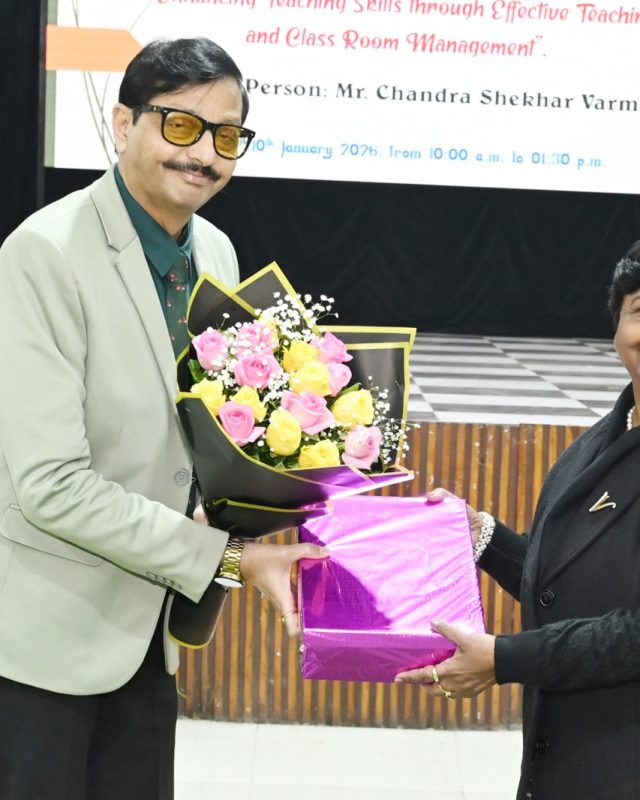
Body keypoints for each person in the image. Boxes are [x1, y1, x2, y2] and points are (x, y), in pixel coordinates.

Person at [0, 37, 327, 800]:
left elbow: (210, 435)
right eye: (181, 126)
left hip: (155, 635)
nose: (205, 155)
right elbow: (50, 486)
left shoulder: (216, 250)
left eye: (226, 136)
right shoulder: (42, 253)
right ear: (123, 125)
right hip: (46, 645)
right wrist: (228, 558)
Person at [396, 241, 640, 800]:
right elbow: (562, 578)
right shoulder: (595, 444)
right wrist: (480, 535)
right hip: (564, 764)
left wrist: (505, 658)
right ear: (616, 327)